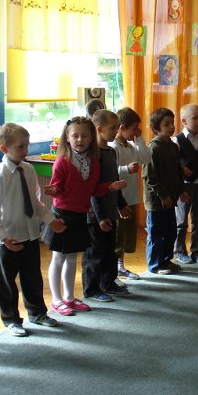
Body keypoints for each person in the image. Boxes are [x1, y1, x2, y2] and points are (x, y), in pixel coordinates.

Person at [0, 123, 65, 336]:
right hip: (9, 239)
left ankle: (37, 313)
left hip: (30, 234)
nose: (26, 150)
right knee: (6, 282)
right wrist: (4, 237)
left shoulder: (29, 170)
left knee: (32, 278)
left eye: (27, 145)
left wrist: (50, 220)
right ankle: (11, 319)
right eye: (20, 146)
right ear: (4, 148)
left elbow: (36, 202)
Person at [44, 117, 126, 307]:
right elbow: (57, 187)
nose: (80, 139)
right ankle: (56, 300)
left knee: (72, 258)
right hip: (62, 215)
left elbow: (93, 189)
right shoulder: (62, 162)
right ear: (67, 137)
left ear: (91, 137)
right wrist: (54, 190)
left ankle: (69, 297)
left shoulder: (93, 162)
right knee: (58, 258)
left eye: (84, 135)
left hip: (79, 216)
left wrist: (111, 186)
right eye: (75, 136)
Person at [84, 110, 133, 300]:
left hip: (110, 211)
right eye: (112, 128)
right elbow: (92, 189)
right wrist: (100, 216)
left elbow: (115, 181)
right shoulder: (92, 155)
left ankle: (108, 282)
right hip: (96, 215)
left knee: (109, 251)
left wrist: (121, 204)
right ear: (99, 129)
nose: (116, 131)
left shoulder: (111, 151)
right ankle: (92, 289)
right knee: (95, 253)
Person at [143, 108, 189, 275]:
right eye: (166, 124)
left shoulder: (173, 147)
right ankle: (155, 264)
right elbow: (149, 176)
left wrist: (181, 191)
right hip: (156, 201)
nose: (171, 127)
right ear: (156, 127)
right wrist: (163, 195)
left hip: (171, 198)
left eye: (172, 123)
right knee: (157, 232)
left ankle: (166, 260)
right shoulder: (153, 148)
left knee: (170, 231)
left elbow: (177, 173)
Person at [111, 107, 150, 280]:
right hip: (119, 199)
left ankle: (120, 266)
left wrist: (139, 138)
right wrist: (126, 169)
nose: (136, 131)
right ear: (122, 128)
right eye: (134, 128)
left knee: (127, 234)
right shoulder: (113, 146)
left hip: (131, 197)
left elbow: (146, 158)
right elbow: (111, 172)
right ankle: (115, 268)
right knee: (118, 235)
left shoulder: (132, 145)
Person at [173, 104, 198, 264]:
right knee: (181, 221)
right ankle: (179, 251)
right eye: (195, 118)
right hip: (184, 185)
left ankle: (197, 251)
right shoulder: (177, 140)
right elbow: (172, 163)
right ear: (184, 121)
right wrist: (181, 169)